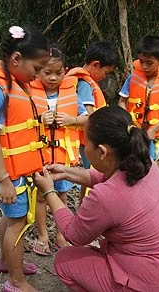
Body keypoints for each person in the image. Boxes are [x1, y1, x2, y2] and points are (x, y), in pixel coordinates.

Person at [34, 106, 159, 292]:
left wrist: (49, 192)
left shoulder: (104, 197)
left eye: (86, 141)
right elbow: (108, 178)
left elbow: (73, 235)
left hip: (148, 285)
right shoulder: (145, 164)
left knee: (64, 260)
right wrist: (67, 172)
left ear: (101, 151)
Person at [0, 25, 50, 292]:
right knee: (17, 223)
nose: (38, 76)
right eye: (37, 69)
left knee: (11, 219)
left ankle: (7, 262)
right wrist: (4, 180)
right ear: (16, 59)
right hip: (9, 174)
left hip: (18, 171)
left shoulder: (17, 83)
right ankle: (15, 282)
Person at [30, 45, 88, 254]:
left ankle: (61, 235)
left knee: (62, 195)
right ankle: (43, 235)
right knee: (41, 197)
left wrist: (72, 119)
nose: (53, 78)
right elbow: (21, 121)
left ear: (66, 70)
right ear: (37, 71)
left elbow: (87, 117)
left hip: (62, 159)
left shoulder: (72, 94)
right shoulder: (30, 93)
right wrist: (38, 120)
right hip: (40, 157)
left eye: (59, 73)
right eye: (47, 73)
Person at [66, 41, 119, 204]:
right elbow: (89, 116)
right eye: (105, 72)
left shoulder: (86, 82)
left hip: (91, 140)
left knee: (90, 177)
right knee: (94, 177)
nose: (105, 76)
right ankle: (88, 210)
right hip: (90, 141)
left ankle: (84, 207)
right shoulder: (84, 85)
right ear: (96, 64)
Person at [118, 35, 159, 171]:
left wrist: (154, 130)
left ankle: (155, 189)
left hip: (155, 133)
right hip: (134, 130)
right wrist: (130, 122)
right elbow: (122, 102)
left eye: (149, 63)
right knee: (131, 160)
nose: (144, 66)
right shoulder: (133, 78)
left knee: (155, 162)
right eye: (141, 61)